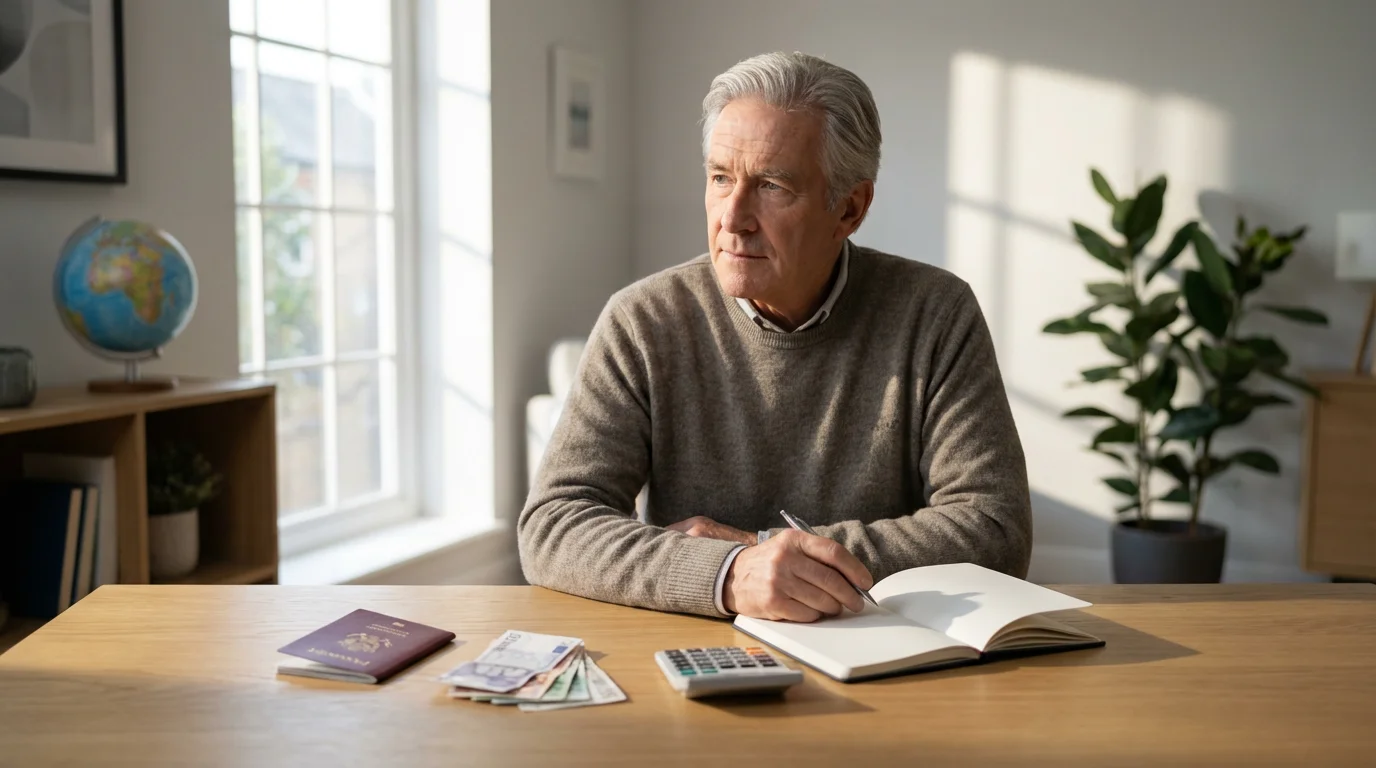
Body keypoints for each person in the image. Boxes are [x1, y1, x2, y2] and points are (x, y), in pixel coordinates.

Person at [519, 51, 1031, 622]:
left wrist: (761, 552)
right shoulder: (642, 321)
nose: (733, 217)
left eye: (771, 185)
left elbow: (995, 526)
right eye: (720, 178)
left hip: (885, 658)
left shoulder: (936, 313)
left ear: (851, 208)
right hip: (698, 655)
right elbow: (554, 525)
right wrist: (733, 576)